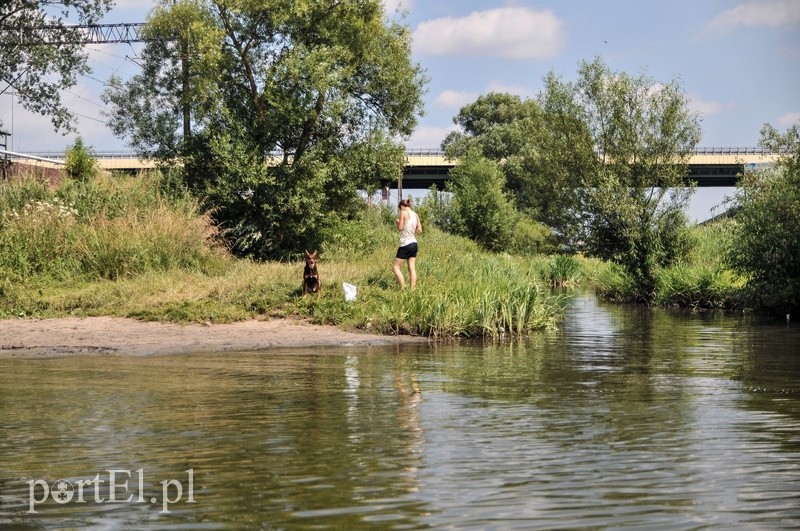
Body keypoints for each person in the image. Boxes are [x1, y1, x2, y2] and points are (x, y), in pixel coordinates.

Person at [392, 198, 423, 288]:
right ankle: (412, 290)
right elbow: (419, 230)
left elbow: (400, 228)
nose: (400, 210)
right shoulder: (415, 215)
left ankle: (403, 288)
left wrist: (398, 222)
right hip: (414, 243)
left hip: (406, 244)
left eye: (400, 209)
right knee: (412, 268)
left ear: (402, 206)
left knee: (395, 268)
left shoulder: (403, 213)